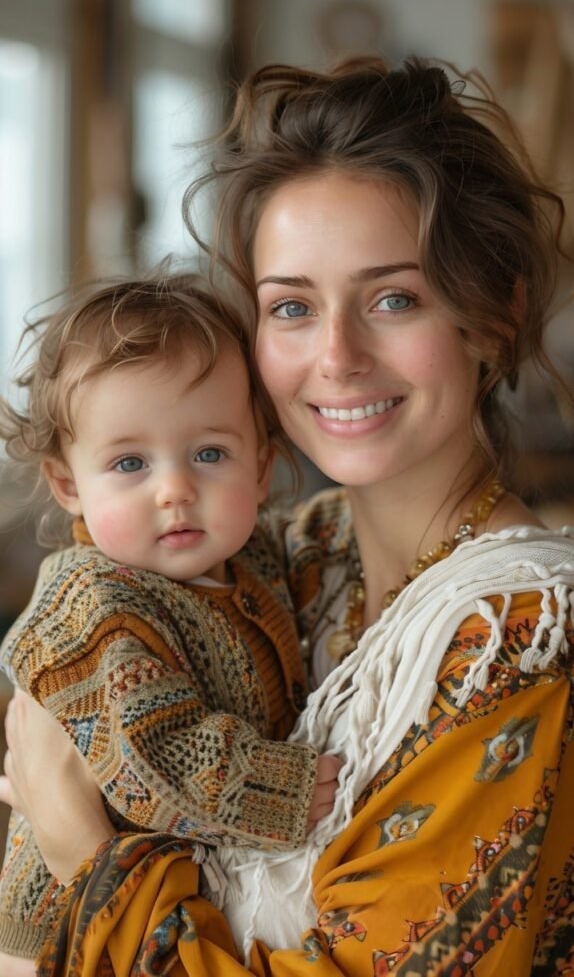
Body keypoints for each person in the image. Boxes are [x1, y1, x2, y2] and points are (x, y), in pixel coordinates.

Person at [2, 54, 574, 976]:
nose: (337, 356)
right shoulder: (291, 558)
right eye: (293, 307)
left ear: (494, 318)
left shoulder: (516, 640)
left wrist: (87, 854)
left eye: (394, 298)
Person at [0, 274, 342, 973]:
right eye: (130, 462)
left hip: (169, 904)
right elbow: (147, 758)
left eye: (210, 454)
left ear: (261, 463)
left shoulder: (244, 555)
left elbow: (314, 541)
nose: (175, 489)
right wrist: (287, 788)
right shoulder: (94, 603)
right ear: (69, 484)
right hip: (65, 933)